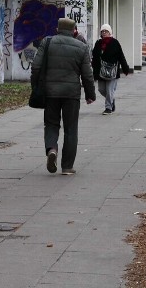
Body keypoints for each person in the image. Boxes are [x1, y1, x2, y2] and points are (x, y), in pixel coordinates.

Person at [32, 18, 96, 175]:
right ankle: (67, 167)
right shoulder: (81, 47)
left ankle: (52, 149)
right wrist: (90, 94)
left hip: (50, 92)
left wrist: (36, 87)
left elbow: (35, 67)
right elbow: (87, 75)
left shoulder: (47, 43)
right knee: (71, 129)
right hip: (71, 93)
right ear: (74, 30)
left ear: (57, 29)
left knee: (51, 124)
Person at [91, 24, 131, 115]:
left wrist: (125, 68)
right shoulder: (98, 43)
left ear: (110, 32)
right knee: (101, 89)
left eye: (106, 31)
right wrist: (94, 71)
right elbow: (95, 57)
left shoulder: (115, 42)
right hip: (101, 71)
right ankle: (112, 99)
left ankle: (108, 108)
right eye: (103, 31)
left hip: (112, 71)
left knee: (109, 90)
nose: (104, 33)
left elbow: (121, 56)